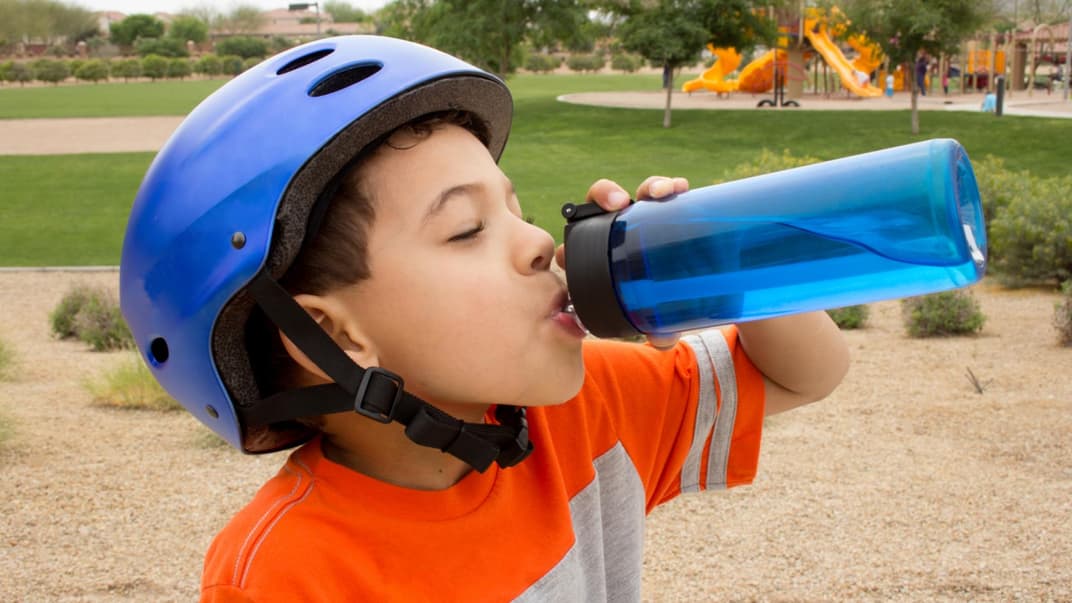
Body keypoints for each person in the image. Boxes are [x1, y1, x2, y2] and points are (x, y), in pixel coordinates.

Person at [120, 36, 849, 601]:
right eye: (468, 228)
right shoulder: (288, 574)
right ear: (340, 334)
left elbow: (803, 373)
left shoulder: (585, 412)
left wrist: (725, 262)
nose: (537, 242)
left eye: (517, 210)